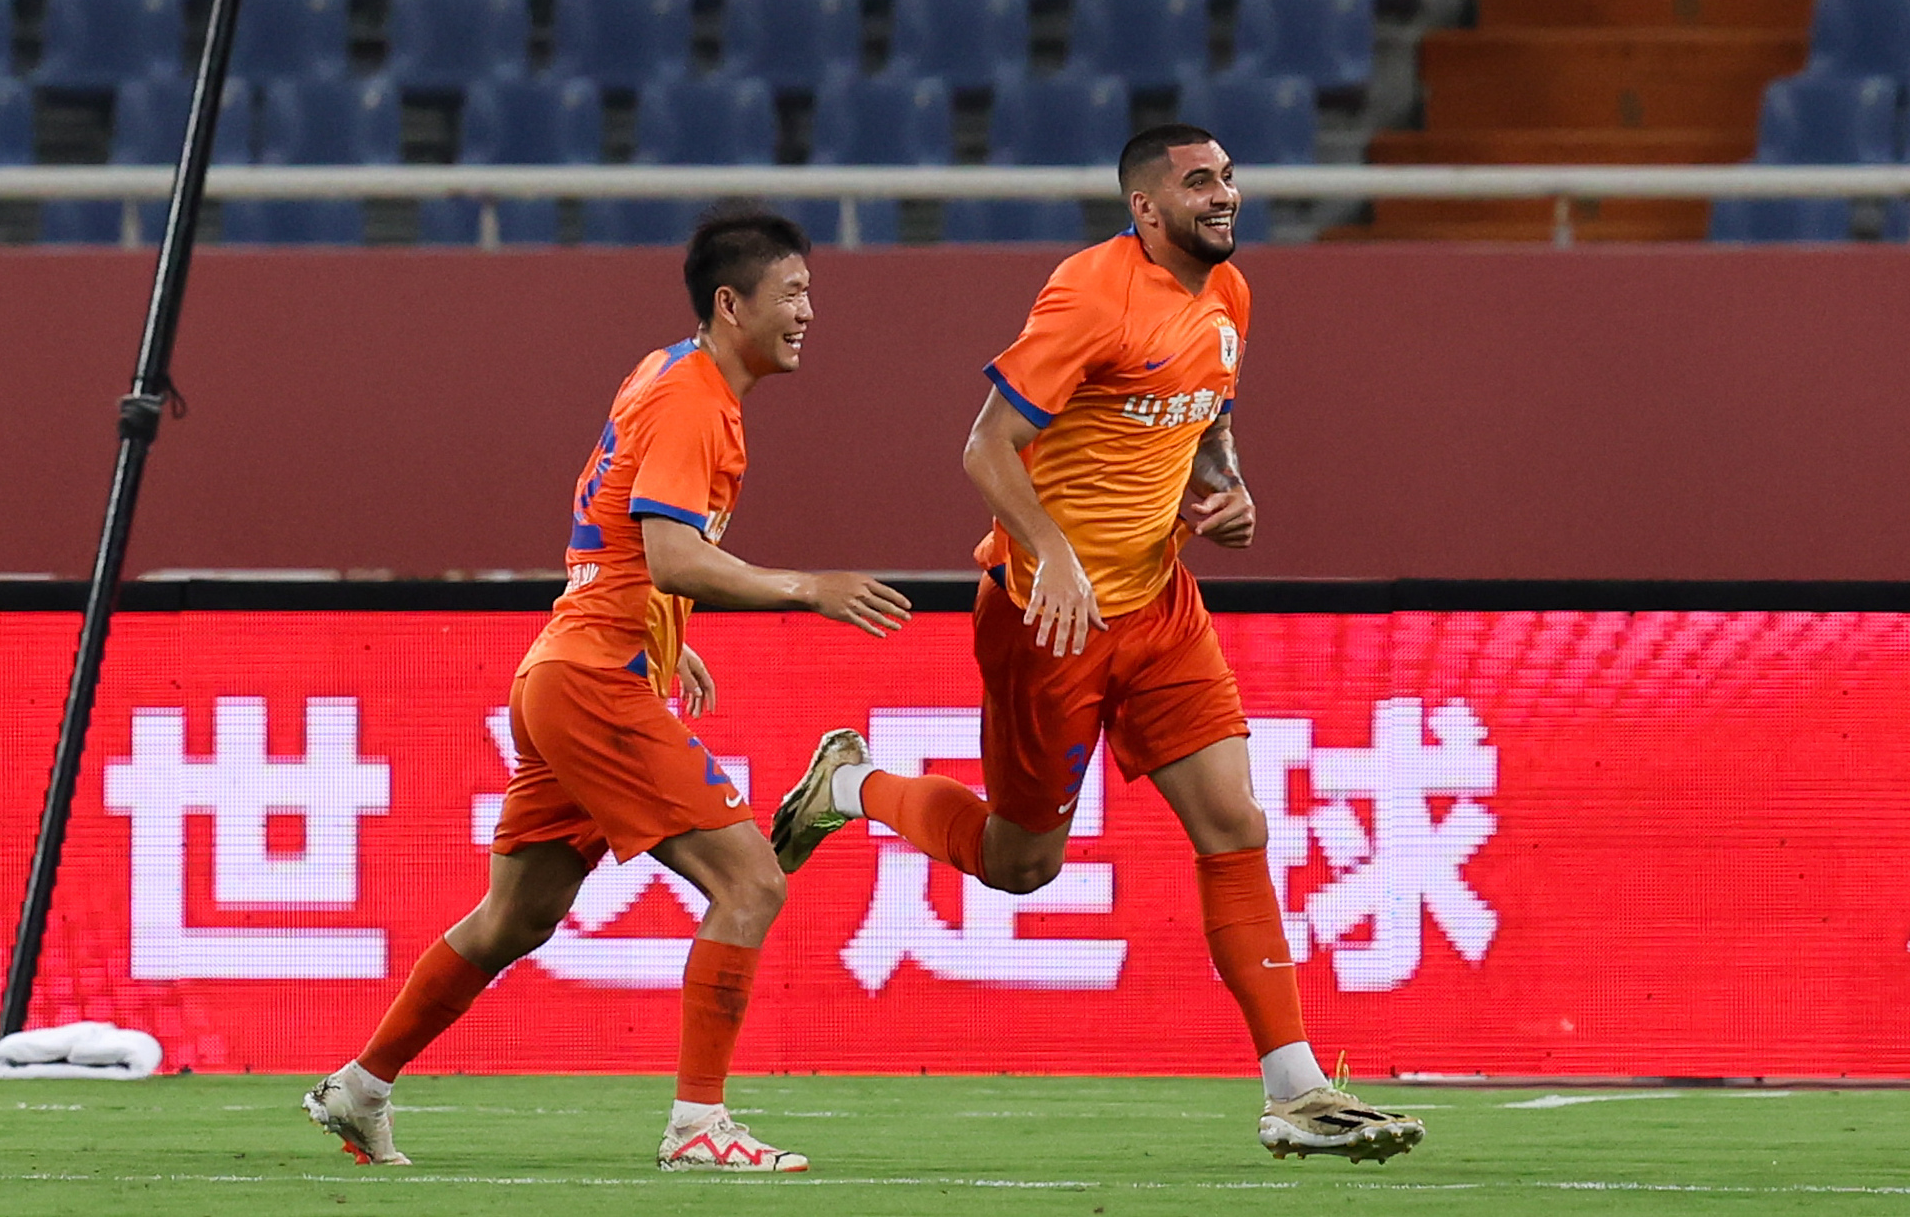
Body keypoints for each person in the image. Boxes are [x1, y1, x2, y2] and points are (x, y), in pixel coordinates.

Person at [773, 127, 1425, 1165]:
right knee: (1020, 863)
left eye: (1228, 178)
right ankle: (848, 785)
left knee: (1234, 820)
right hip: (1048, 616)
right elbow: (982, 444)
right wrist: (1055, 556)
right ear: (1145, 209)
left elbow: (1207, 410)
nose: (1226, 195)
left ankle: (1292, 1086)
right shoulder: (1089, 295)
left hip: (1159, 604)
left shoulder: (1230, 296)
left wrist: (1224, 478)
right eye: (1199, 182)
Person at [306, 205, 912, 1173]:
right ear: (731, 303)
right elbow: (672, 553)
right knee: (750, 881)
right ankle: (697, 1126)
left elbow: (610, 529)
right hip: (594, 679)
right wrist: (805, 587)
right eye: (793, 292)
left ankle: (360, 1086)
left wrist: (663, 632)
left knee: (516, 917)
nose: (808, 312)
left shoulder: (663, 370)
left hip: (570, 661)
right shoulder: (692, 398)